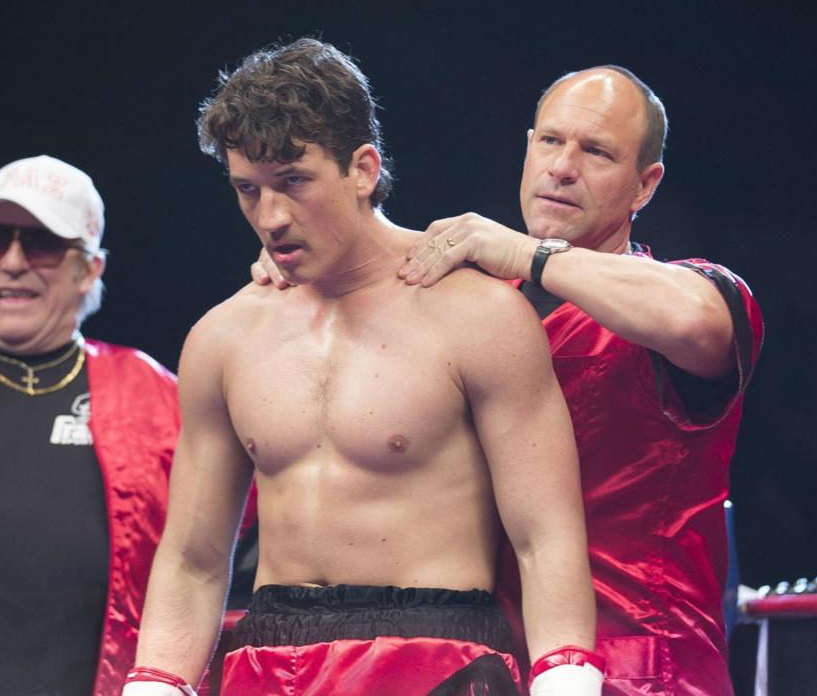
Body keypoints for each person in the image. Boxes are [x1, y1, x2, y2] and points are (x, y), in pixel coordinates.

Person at [124, 39, 605, 696]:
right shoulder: (225, 336)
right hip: (266, 661)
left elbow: (544, 535)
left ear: (363, 168)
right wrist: (155, 684)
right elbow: (194, 559)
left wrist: (565, 677)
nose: (271, 217)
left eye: (293, 181)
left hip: (437, 659)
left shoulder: (477, 314)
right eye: (248, 189)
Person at [392, 68, 764, 695]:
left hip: (644, 674)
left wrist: (530, 254)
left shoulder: (683, 295)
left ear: (646, 185)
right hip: (483, 668)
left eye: (596, 152)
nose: (563, 168)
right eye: (551, 143)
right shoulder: (470, 306)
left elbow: (698, 322)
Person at [0, 155, 181, 696]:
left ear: (89, 268)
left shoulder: (151, 395)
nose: (12, 262)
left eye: (41, 243)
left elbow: (251, 521)